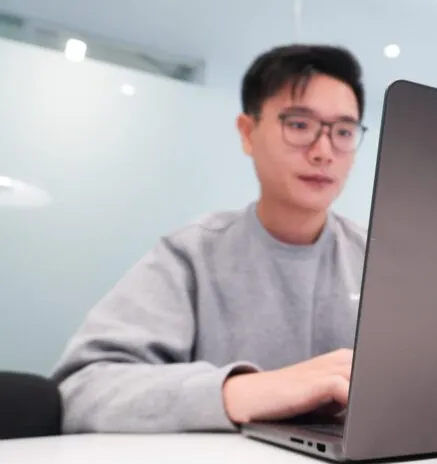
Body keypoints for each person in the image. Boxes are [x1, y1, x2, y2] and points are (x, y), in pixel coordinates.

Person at [51, 44, 369, 433]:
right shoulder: (192, 255)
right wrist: (245, 391)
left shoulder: (381, 260)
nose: (323, 151)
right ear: (248, 133)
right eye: (299, 125)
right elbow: (82, 389)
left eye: (343, 132)